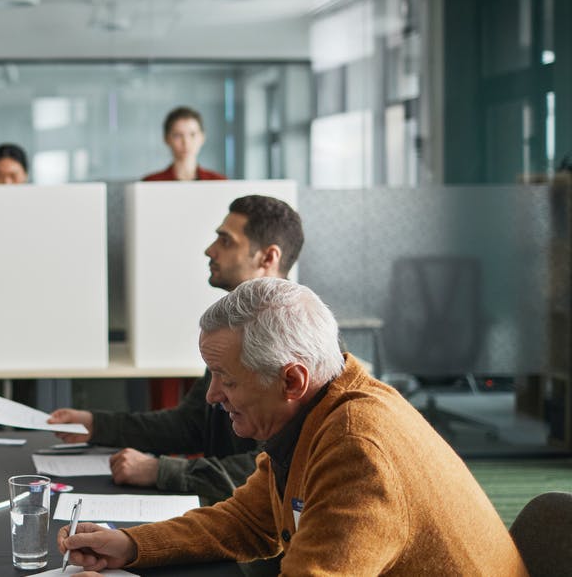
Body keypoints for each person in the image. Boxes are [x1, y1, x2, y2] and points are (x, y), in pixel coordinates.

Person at [58, 278, 528, 576]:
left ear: (291, 379)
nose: (212, 395)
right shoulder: (318, 413)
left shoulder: (357, 449)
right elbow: (247, 520)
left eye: (228, 379)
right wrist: (131, 543)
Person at [48, 195, 303, 505]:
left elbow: (277, 466)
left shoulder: (299, 342)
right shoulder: (237, 329)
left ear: (267, 257)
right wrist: (96, 424)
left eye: (225, 240)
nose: (210, 250)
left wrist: (163, 471)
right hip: (229, 521)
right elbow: (191, 423)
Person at [141, 106, 225, 182]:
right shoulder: (151, 183)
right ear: (166, 139)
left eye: (192, 134)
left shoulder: (220, 182)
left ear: (202, 138)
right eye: (178, 135)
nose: (186, 142)